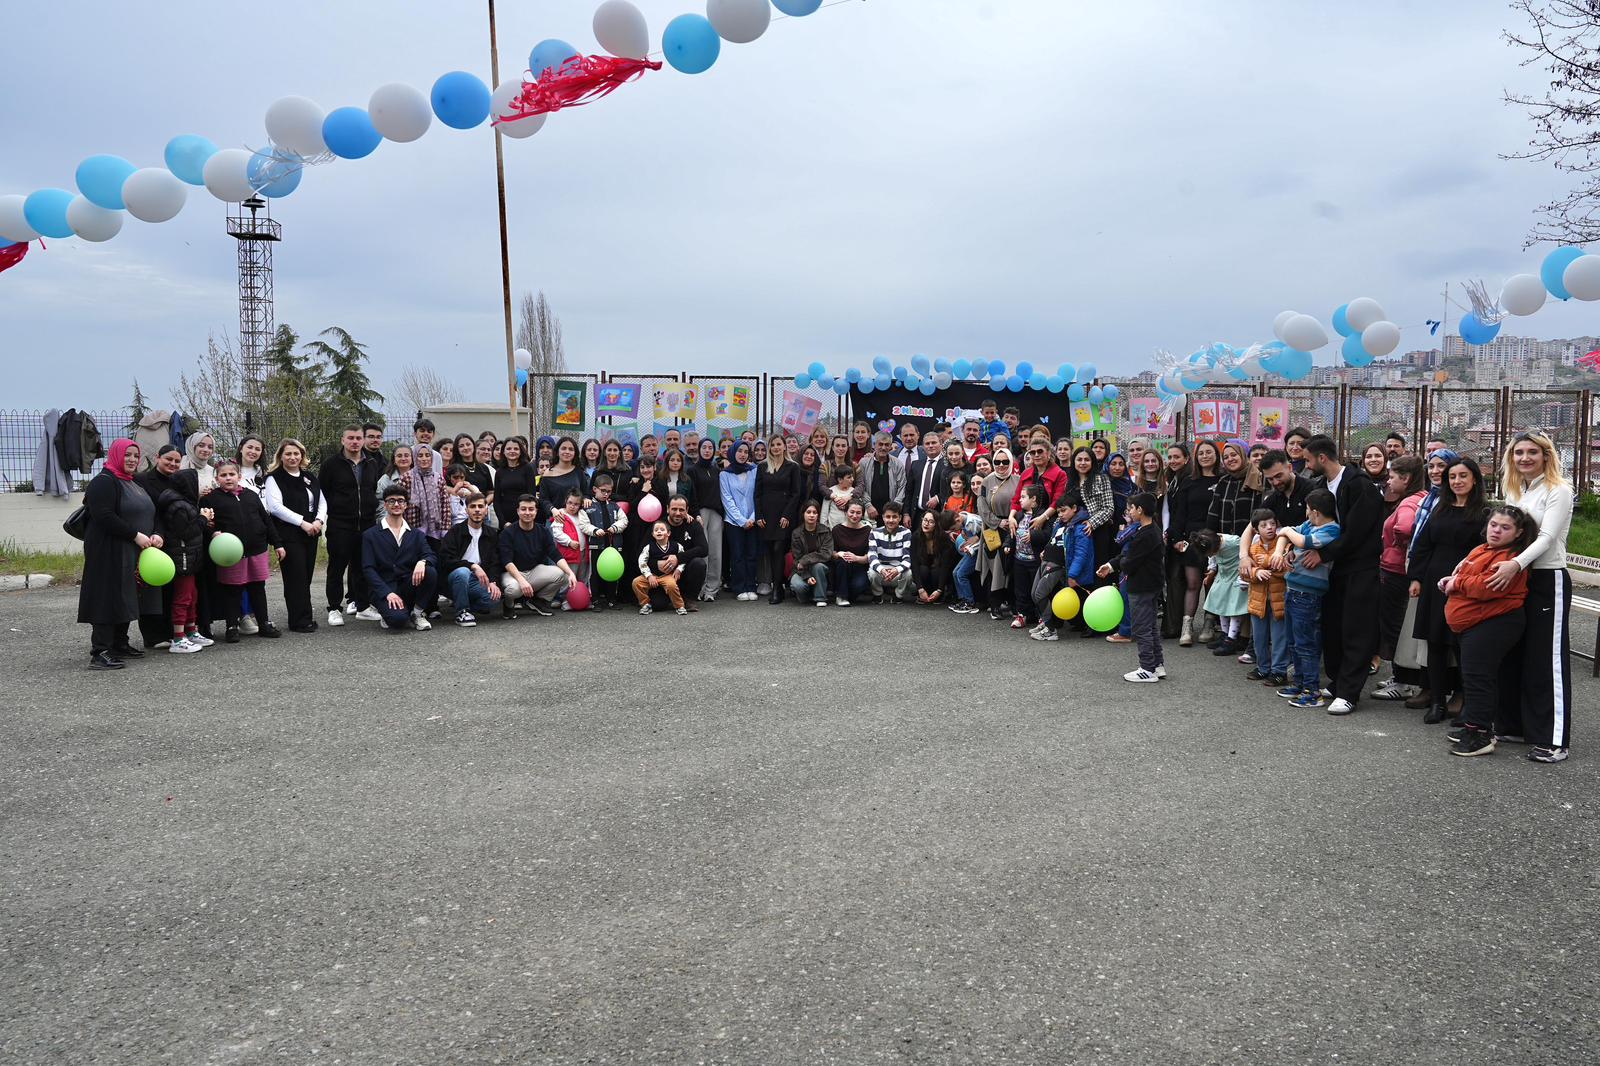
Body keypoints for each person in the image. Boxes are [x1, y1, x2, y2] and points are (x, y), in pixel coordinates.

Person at [1486, 431, 1575, 763]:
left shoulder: (1558, 490)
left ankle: (1554, 740)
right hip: (1518, 579)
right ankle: (1515, 725)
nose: (1524, 458)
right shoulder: (1516, 491)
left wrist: (1515, 564)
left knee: (1546, 660)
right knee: (1513, 653)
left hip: (1546, 579)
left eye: (1532, 452)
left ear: (1546, 456)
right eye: (1519, 452)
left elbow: (1547, 537)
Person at [1302, 434, 1383, 715]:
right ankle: (1338, 682)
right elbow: (1311, 524)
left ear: (1322, 458)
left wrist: (1323, 554)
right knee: (1333, 627)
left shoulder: (1360, 485)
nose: (1306, 465)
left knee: (1356, 630)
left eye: (1308, 460)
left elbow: (1357, 532)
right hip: (1334, 570)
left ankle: (1349, 693)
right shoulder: (1321, 486)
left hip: (1360, 568)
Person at [1446, 505, 1536, 757]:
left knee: (1478, 677)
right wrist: (1452, 581)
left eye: (1505, 527)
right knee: (1475, 676)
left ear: (1518, 533)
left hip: (1494, 623)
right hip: (1473, 624)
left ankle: (1479, 735)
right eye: (1494, 525)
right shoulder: (1482, 549)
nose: (1496, 531)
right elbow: (1467, 577)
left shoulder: (1510, 559)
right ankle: (1475, 726)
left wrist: (1457, 583)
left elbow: (1487, 586)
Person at [80, 439, 163, 668]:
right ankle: (100, 651)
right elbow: (103, 515)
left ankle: (119, 643)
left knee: (126, 596)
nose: (132, 460)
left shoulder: (132, 482)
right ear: (116, 455)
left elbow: (152, 512)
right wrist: (134, 535)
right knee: (107, 598)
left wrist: (155, 533)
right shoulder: (104, 482)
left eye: (136, 455)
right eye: (127, 455)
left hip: (131, 550)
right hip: (108, 551)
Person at [1268, 488, 1341, 709]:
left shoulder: (1331, 529)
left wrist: (1288, 535)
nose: (1306, 514)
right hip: (1293, 589)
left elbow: (1303, 541)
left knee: (1305, 644)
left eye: (1308, 509)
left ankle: (1312, 691)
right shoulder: (1310, 524)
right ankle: (1299, 683)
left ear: (1316, 512)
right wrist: (1282, 551)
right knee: (1293, 641)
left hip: (1308, 595)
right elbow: (1286, 535)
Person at [202, 459, 284, 642]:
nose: (228, 478)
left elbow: (266, 520)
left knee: (258, 588)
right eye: (223, 475)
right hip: (230, 554)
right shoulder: (210, 499)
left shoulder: (251, 496)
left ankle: (264, 623)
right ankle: (232, 626)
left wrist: (277, 543)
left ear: (239, 476)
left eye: (232, 474)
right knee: (232, 590)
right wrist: (213, 533)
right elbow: (205, 524)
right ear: (216, 479)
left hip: (257, 549)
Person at [138, 445, 208, 652]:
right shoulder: (142, 480)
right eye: (169, 459)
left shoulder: (179, 482)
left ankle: (178, 632)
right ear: (158, 457)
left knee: (177, 593)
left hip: (177, 547)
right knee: (153, 593)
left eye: (177, 461)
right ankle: (155, 635)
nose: (173, 464)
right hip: (152, 540)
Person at [1372, 456, 1427, 702]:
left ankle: (1401, 681)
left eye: (1392, 477)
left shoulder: (1407, 503)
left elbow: (1405, 528)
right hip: (1403, 571)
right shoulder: (1422, 497)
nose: (1388, 481)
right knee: (1401, 626)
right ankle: (1402, 677)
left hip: (1395, 571)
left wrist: (1397, 543)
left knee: (1394, 626)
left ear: (1406, 479)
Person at [1097, 492, 1166, 683]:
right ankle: (1157, 664)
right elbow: (1128, 556)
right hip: (1151, 585)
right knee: (1150, 626)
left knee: (1142, 628)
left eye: (1131, 509)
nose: (1129, 512)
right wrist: (1111, 565)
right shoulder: (1152, 530)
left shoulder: (1145, 534)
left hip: (1142, 586)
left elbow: (1130, 561)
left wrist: (1117, 565)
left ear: (1140, 510)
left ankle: (1147, 668)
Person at [263, 438, 326, 634]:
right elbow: (275, 507)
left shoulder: (309, 477)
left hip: (311, 532)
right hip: (289, 534)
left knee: (305, 576)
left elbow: (322, 501)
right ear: (280, 456)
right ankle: (299, 621)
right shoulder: (273, 478)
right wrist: (302, 522)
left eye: (296, 453)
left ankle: (304, 616)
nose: (293, 457)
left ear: (302, 455)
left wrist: (319, 521)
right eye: (288, 454)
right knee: (295, 578)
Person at [321, 424, 381, 626]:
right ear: (343, 440)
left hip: (366, 524)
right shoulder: (331, 464)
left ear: (363, 440)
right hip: (340, 525)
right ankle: (334, 609)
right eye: (350, 438)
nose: (355, 442)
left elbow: (372, 490)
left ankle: (362, 606)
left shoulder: (371, 463)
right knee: (336, 568)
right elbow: (324, 492)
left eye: (358, 438)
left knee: (363, 567)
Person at [361, 483, 437, 632]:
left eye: (400, 501)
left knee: (430, 571)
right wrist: (387, 593)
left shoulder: (416, 534)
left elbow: (431, 555)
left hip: (408, 586)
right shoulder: (370, 535)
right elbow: (368, 569)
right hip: (385, 589)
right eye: (391, 501)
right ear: (385, 505)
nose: (396, 504)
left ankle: (417, 613)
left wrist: (422, 562)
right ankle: (390, 612)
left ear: (406, 505)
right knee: (398, 621)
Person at [1029, 489, 1096, 641]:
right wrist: (1045, 550)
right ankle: (1045, 622)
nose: (1060, 514)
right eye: (1058, 511)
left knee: (1040, 594)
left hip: (1057, 565)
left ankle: (1050, 629)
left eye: (1064, 510)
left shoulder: (1080, 527)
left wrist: (1072, 575)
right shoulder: (1059, 524)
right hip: (1046, 561)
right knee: (1034, 594)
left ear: (1074, 508)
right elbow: (1054, 540)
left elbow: (1081, 554)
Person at [499, 494, 575, 617]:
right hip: (512, 574)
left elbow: (555, 554)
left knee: (562, 574)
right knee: (514, 589)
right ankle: (508, 605)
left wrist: (570, 573)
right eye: (523, 509)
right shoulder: (508, 532)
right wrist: (522, 581)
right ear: (518, 511)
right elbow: (507, 561)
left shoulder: (543, 531)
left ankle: (537, 601)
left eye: (531, 509)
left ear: (536, 511)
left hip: (533, 571)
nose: (527, 512)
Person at [1240, 508, 1290, 686]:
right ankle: (1262, 667)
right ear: (1255, 530)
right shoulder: (1252, 549)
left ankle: (1279, 671)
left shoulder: (1284, 546)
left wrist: (1267, 563)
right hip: (1258, 601)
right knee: (1259, 637)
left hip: (1279, 600)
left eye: (1272, 523)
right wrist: (1256, 572)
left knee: (1279, 638)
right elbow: (1244, 573)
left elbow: (1288, 569)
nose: (1269, 527)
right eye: (1264, 525)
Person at [439, 492, 501, 627]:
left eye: (480, 506)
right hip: (454, 577)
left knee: (494, 599)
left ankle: (461, 601)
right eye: (473, 506)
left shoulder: (491, 533)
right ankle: (462, 612)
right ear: (466, 510)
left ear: (486, 510)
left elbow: (495, 562)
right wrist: (472, 566)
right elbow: (446, 559)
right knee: (463, 572)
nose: (477, 510)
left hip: (477, 580)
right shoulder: (455, 531)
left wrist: (493, 582)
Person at [755, 435, 804, 605]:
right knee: (771, 549)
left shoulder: (793, 467)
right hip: (767, 514)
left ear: (784, 447)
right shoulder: (762, 466)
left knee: (779, 548)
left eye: (779, 444)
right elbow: (757, 493)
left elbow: (796, 493)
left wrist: (787, 515)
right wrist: (759, 515)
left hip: (784, 515)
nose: (776, 447)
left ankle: (777, 588)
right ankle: (778, 585)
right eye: (773, 445)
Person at [975, 448, 1018, 619]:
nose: (1001, 465)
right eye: (997, 462)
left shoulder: (1018, 480)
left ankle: (1013, 603)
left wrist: (1013, 519)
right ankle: (995, 605)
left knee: (1012, 566)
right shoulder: (986, 482)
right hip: (992, 530)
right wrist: (997, 522)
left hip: (1013, 528)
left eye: (1005, 462)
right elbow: (981, 506)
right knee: (994, 568)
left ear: (1011, 462)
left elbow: (1022, 502)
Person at [1197, 522, 1248, 657]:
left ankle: (1231, 639)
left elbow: (1246, 550)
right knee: (1220, 604)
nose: (1211, 554)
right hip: (1223, 576)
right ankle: (1225, 634)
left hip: (1236, 576)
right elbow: (1212, 559)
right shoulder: (1212, 544)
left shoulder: (1234, 542)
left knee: (1234, 609)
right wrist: (1212, 570)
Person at [578, 475, 628, 609]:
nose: (606, 494)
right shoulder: (587, 507)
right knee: (594, 573)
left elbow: (624, 520)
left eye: (609, 491)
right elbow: (583, 524)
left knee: (613, 572)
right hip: (596, 546)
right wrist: (594, 530)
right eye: (603, 490)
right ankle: (595, 600)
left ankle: (612, 599)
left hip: (613, 546)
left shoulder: (615, 506)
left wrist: (615, 528)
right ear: (595, 489)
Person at [721, 441, 759, 601]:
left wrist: (752, 518)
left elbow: (758, 495)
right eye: (739, 451)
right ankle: (739, 588)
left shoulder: (754, 470)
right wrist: (742, 520)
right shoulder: (724, 474)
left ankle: (751, 586)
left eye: (745, 451)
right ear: (733, 452)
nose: (743, 454)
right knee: (737, 555)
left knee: (751, 554)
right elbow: (727, 499)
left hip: (753, 520)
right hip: (733, 522)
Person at [688, 438, 725, 601]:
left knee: (716, 552)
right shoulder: (692, 470)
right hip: (700, 514)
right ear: (699, 449)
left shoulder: (717, 470)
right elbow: (692, 495)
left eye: (710, 447)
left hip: (716, 513)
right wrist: (696, 513)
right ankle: (699, 587)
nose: (707, 450)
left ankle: (712, 589)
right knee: (703, 551)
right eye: (704, 447)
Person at [1206, 440, 1263, 537]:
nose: (1230, 459)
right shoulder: (1223, 481)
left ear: (1242, 455)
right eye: (1226, 457)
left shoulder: (1258, 478)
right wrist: (1210, 538)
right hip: (1225, 541)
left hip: (1253, 540)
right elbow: (1213, 514)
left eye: (1234, 455)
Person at [633, 521, 691, 616]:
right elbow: (642, 561)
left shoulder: (677, 546)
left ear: (668, 533)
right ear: (653, 534)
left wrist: (679, 569)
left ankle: (679, 606)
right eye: (656, 530)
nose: (659, 531)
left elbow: (683, 559)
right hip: (653, 575)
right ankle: (646, 604)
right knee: (636, 582)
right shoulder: (648, 547)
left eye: (662, 529)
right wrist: (649, 575)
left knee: (671, 585)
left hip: (667, 575)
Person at [660, 494, 708, 605]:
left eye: (681, 510)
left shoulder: (693, 525)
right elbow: (643, 550)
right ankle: (669, 597)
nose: (678, 513)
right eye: (674, 509)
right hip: (664, 572)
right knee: (659, 604)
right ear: (667, 509)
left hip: (685, 572)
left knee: (699, 563)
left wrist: (678, 558)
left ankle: (689, 599)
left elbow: (704, 549)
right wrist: (656, 563)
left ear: (687, 510)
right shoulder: (659, 525)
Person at [406, 443, 451, 554]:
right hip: (413, 529)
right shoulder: (407, 477)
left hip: (435, 530)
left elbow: (445, 505)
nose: (424, 458)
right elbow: (403, 504)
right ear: (414, 457)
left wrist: (445, 529)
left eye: (427, 455)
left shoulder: (438, 478)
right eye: (420, 455)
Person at [788, 501, 834, 606]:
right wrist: (807, 576)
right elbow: (796, 559)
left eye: (814, 512)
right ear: (803, 514)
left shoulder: (825, 531)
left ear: (818, 515)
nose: (811, 515)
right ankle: (806, 596)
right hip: (801, 570)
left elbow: (826, 553)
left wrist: (805, 560)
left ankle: (820, 598)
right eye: (808, 512)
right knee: (798, 585)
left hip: (821, 569)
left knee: (818, 566)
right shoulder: (796, 533)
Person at [855, 432, 904, 526]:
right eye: (880, 444)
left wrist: (894, 508)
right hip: (869, 511)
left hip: (891, 514)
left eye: (887, 445)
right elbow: (860, 485)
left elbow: (902, 487)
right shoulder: (864, 463)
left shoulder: (898, 464)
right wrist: (868, 505)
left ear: (890, 446)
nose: (883, 447)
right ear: (874, 445)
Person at [868, 503, 913, 603]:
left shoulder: (906, 533)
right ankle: (877, 594)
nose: (891, 520)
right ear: (883, 517)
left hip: (898, 571)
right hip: (881, 571)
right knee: (872, 572)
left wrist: (897, 569)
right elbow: (872, 556)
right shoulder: (874, 532)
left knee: (908, 573)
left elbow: (908, 558)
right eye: (888, 517)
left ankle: (898, 595)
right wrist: (881, 569)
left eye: (894, 517)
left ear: (900, 518)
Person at [830, 500, 871, 606]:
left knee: (859, 585)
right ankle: (841, 597)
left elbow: (870, 557)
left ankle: (846, 594)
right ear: (845, 512)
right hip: (841, 568)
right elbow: (831, 553)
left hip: (859, 566)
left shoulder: (868, 531)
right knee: (843, 563)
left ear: (862, 514)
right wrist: (839, 554)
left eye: (858, 513)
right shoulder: (837, 530)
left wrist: (856, 558)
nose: (854, 515)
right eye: (852, 512)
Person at [551, 488, 590, 597]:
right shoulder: (561, 514)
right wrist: (569, 542)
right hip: (569, 553)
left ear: (580, 505)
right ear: (565, 502)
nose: (572, 506)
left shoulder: (581, 515)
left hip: (582, 552)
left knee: (582, 576)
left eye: (576, 504)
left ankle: (581, 597)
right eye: (570, 503)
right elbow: (557, 533)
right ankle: (562, 598)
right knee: (568, 577)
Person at [492, 436, 538, 530]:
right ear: (503, 451)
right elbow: (496, 500)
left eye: (516, 449)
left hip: (525, 516)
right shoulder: (500, 472)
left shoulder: (527, 468)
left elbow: (532, 496)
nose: (512, 451)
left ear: (521, 451)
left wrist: (525, 516)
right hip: (506, 519)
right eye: (509, 448)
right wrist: (503, 522)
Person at [912, 510, 955, 605]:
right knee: (923, 569)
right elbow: (914, 563)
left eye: (931, 522)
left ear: (936, 524)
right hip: (924, 570)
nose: (926, 524)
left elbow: (945, 566)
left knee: (936, 571)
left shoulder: (943, 538)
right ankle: (924, 593)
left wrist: (939, 590)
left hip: (939, 570)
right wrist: (920, 589)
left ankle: (939, 594)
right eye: (925, 520)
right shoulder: (916, 536)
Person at [904, 431, 948, 525]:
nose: (930, 446)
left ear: (941, 445)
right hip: (916, 515)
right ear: (923, 447)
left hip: (937, 515)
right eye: (927, 444)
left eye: (934, 443)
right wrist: (906, 514)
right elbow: (909, 491)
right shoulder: (916, 465)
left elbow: (951, 488)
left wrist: (938, 498)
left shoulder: (947, 465)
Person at [540, 436, 587, 517]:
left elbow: (586, 493)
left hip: (576, 518)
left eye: (571, 449)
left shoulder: (579, 472)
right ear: (557, 452)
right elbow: (543, 499)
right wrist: (552, 509)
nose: (567, 452)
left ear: (575, 453)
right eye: (563, 448)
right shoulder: (548, 473)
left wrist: (586, 499)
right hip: (555, 518)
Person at [375, 445, 415, 524]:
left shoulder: (419, 478)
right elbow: (380, 503)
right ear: (394, 460)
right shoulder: (386, 479)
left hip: (416, 523)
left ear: (412, 459)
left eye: (406, 455)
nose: (403, 458)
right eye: (399, 456)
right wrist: (388, 522)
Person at [660, 446, 697, 515]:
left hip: (681, 515)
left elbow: (693, 501)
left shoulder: (686, 479)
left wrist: (697, 515)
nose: (675, 463)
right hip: (663, 515)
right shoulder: (660, 478)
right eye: (672, 460)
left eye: (678, 460)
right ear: (667, 462)